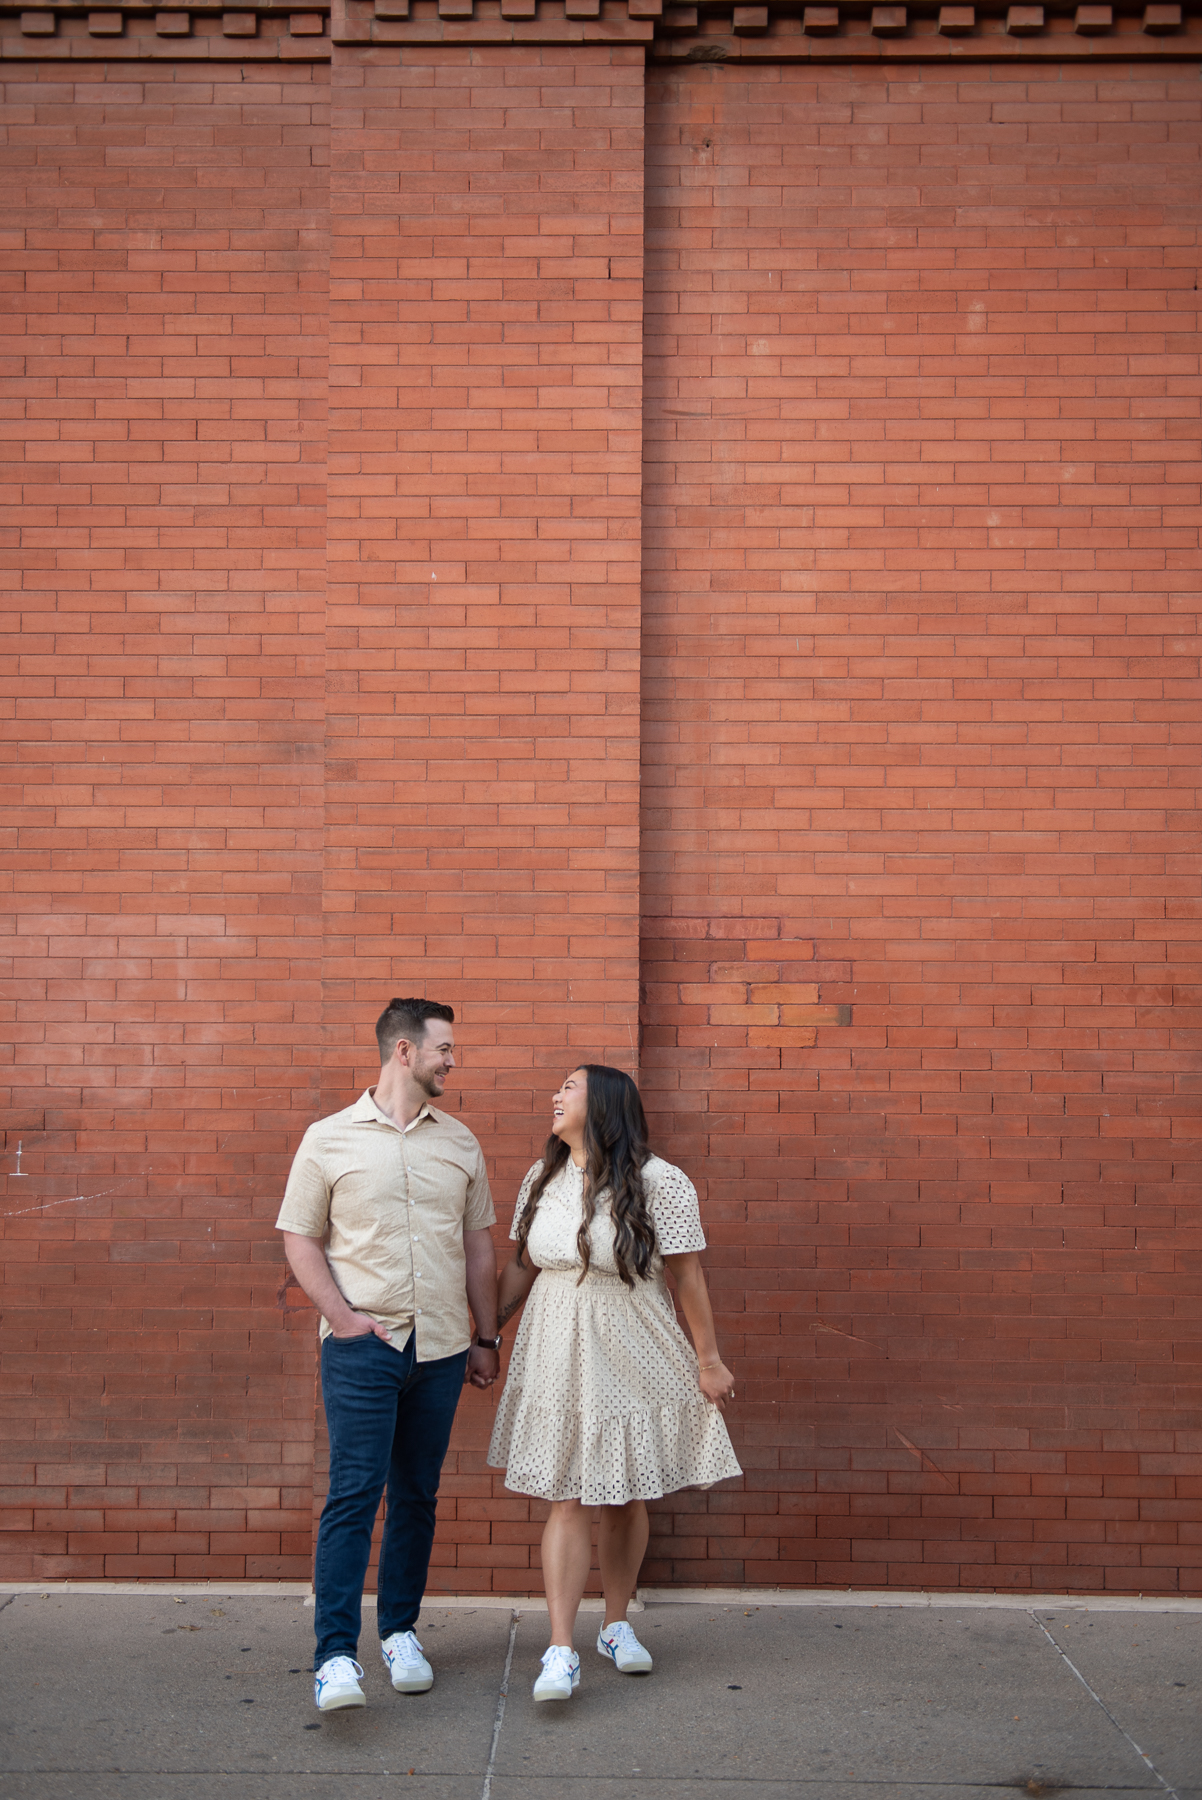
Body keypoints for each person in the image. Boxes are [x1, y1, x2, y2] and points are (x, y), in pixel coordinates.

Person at [487, 1063, 740, 1702]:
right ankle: (560, 1648)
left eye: (568, 1088)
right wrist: (485, 1335)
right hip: (554, 1348)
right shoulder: (541, 1178)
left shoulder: (661, 1182)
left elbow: (687, 1276)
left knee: (626, 1495)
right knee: (567, 1493)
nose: (555, 1095)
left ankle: (616, 1625)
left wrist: (709, 1360)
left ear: (602, 1104)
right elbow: (520, 1266)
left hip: (634, 1347)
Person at [276, 998, 502, 1713]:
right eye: (444, 1049)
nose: (453, 1060)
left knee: (416, 1496)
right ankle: (335, 1656)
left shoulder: (460, 1143)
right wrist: (341, 1318)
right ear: (404, 1051)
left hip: (441, 1349)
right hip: (363, 1349)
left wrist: (486, 1337)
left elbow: (478, 1248)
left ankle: (399, 1632)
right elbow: (299, 1236)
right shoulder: (328, 1139)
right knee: (353, 1493)